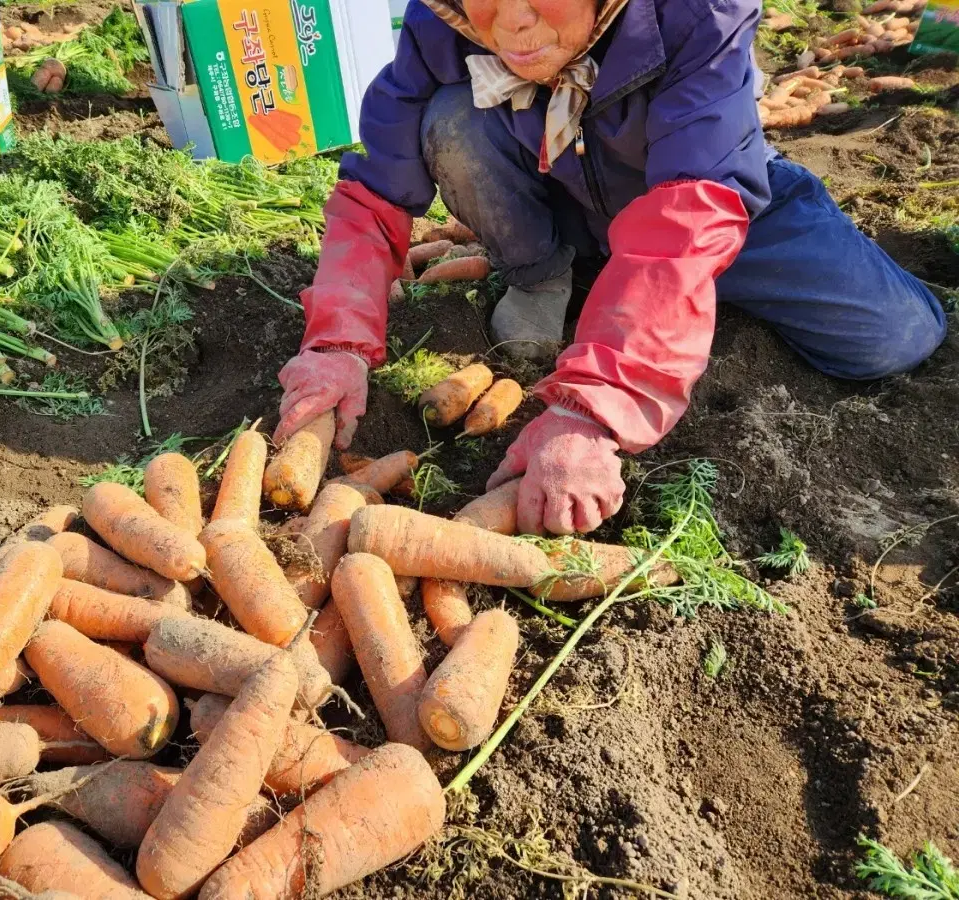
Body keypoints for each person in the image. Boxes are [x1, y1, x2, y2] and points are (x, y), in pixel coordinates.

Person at [273, 0, 948, 536]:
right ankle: (541, 272)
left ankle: (656, 300)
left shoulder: (698, 12)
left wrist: (592, 413)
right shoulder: (442, 16)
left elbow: (687, 214)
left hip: (707, 192)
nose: (511, 20)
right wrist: (337, 341)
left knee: (894, 337)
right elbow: (375, 193)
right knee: (452, 117)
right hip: (562, 193)